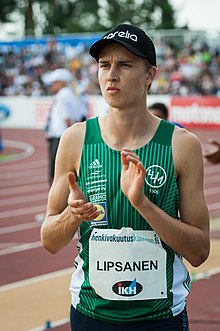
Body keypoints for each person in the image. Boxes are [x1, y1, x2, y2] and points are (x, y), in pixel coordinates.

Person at [41, 24, 210, 331]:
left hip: (161, 319)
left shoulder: (182, 145)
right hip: (91, 314)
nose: (111, 74)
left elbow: (199, 251)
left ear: (150, 75)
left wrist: (142, 203)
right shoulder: (75, 140)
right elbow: (49, 241)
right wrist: (72, 215)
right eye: (104, 65)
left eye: (125, 64)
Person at [42, 68, 82, 185]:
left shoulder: (63, 95)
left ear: (61, 82)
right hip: (62, 136)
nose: (51, 86)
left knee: (56, 173)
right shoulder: (70, 94)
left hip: (60, 137)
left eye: (54, 82)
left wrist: (72, 139)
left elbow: (68, 119)